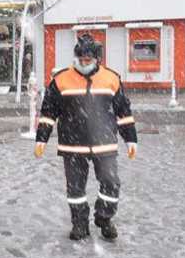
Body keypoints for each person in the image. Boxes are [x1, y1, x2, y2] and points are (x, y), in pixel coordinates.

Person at [34, 34, 137, 241]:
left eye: (88, 60)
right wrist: (41, 139)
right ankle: (80, 224)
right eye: (80, 59)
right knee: (75, 189)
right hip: (73, 146)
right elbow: (48, 113)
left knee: (110, 183)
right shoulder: (61, 80)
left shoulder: (111, 79)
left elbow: (124, 112)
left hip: (104, 144)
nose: (84, 63)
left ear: (96, 59)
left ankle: (104, 218)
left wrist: (131, 140)